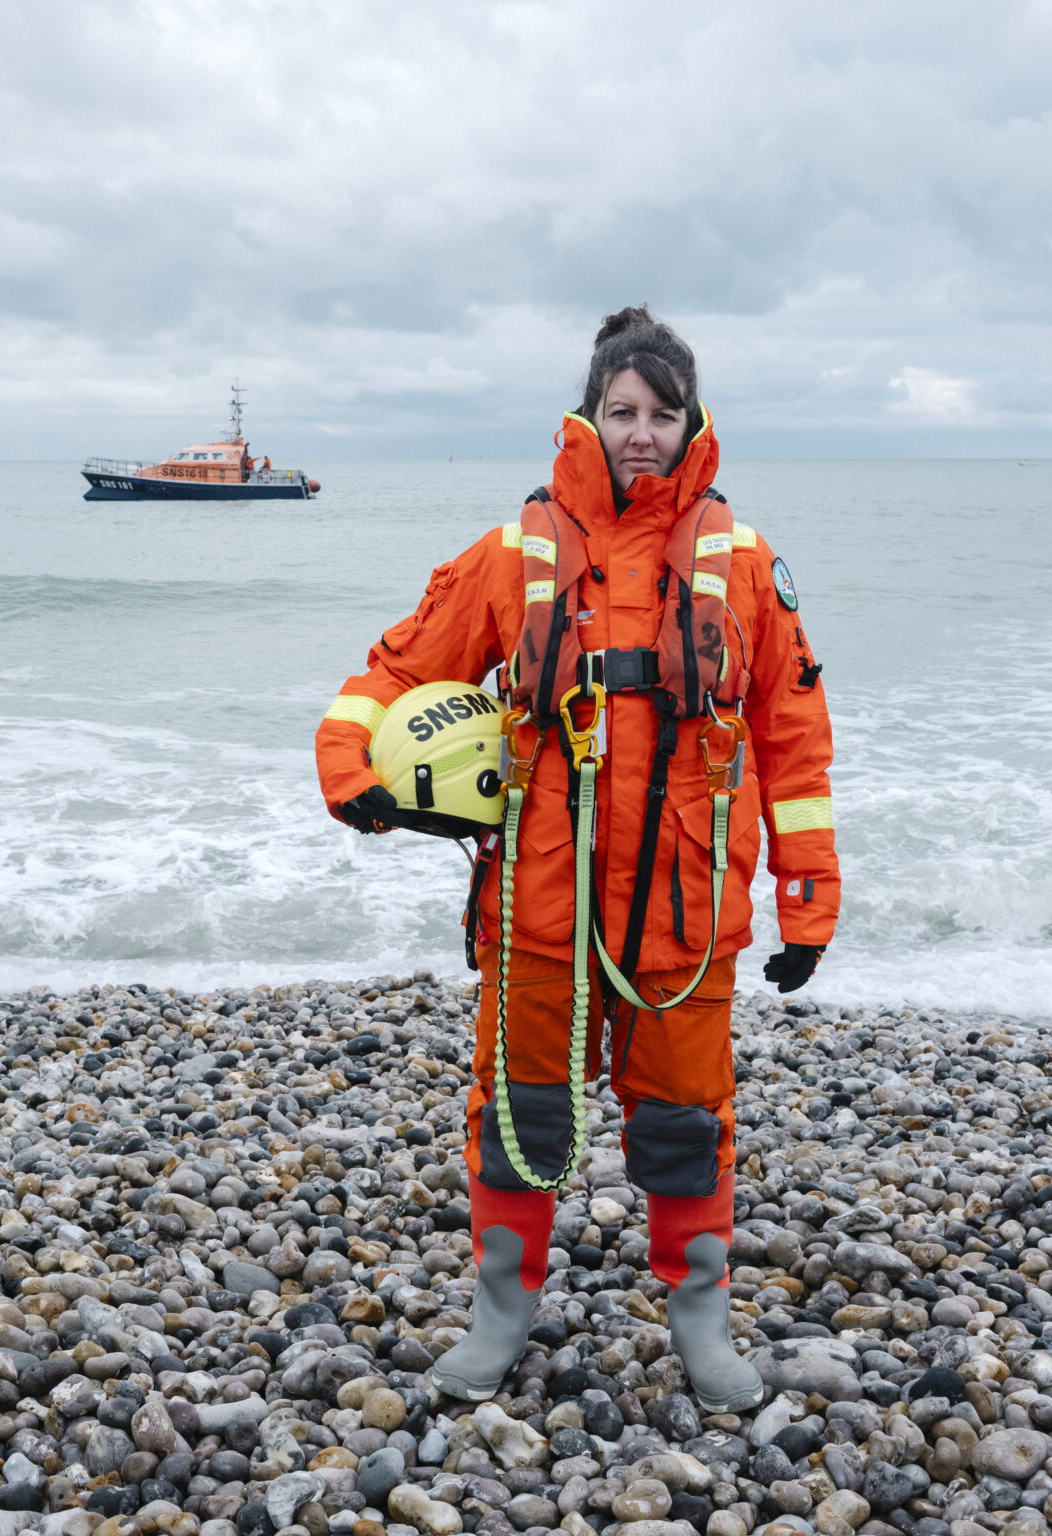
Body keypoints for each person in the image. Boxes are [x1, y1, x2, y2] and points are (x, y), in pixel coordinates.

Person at [313, 306, 839, 1412]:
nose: (640, 431)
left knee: (685, 1124)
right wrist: (349, 767)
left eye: (660, 412)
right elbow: (394, 669)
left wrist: (807, 902)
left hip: (683, 914)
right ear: (587, 416)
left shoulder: (743, 567)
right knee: (519, 1113)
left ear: (690, 420)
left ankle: (699, 1323)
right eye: (620, 410)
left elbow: (792, 742)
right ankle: (501, 1314)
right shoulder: (514, 556)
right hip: (537, 900)